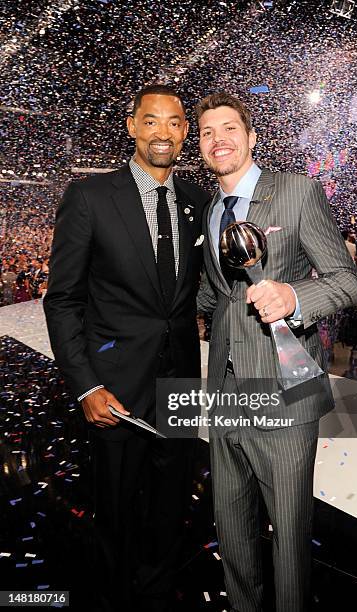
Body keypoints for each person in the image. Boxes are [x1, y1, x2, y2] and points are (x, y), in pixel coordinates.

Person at [44, 84, 209, 612]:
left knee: (170, 500)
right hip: (113, 383)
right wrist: (86, 383)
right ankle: (110, 596)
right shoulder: (91, 197)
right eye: (152, 121)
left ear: (185, 131)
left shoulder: (197, 203)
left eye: (175, 122)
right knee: (114, 504)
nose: (164, 132)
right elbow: (63, 300)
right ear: (133, 126)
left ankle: (157, 589)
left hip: (180, 380)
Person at [196, 92, 357, 612]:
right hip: (224, 393)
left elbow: (346, 280)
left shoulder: (296, 192)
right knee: (233, 529)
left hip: (286, 386)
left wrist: (295, 297)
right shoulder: (210, 211)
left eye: (229, 128)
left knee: (289, 534)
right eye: (206, 132)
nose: (218, 139)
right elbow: (212, 294)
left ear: (250, 137)